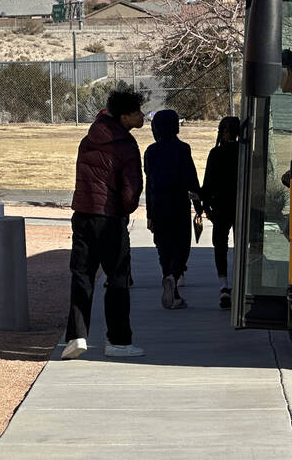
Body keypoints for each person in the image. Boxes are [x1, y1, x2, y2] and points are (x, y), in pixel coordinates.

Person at [62, 90, 147, 361]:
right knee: (118, 278)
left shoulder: (88, 139)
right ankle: (118, 340)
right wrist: (126, 209)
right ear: (124, 116)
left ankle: (76, 336)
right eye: (137, 112)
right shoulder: (126, 145)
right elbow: (130, 189)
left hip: (83, 215)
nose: (142, 116)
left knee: (82, 276)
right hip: (110, 218)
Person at [144, 109, 201, 310]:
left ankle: (168, 279)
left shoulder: (150, 151)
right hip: (178, 204)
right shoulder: (183, 149)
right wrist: (199, 206)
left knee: (163, 247)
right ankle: (173, 276)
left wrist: (149, 213)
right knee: (181, 246)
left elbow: (148, 183)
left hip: (158, 204)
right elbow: (191, 180)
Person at [200, 116, 241, 309]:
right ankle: (240, 283)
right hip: (240, 206)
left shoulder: (215, 153)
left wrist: (205, 206)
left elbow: (208, 183)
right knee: (241, 247)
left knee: (220, 246)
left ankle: (224, 285)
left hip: (220, 206)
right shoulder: (244, 153)